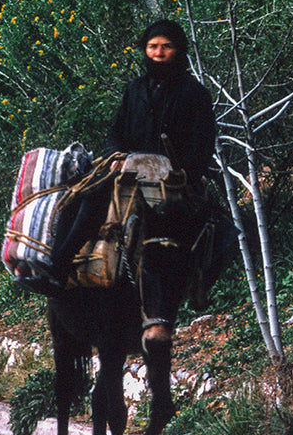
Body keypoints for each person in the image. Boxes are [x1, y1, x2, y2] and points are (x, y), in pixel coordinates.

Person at [45, 19, 217, 344]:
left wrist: (183, 173)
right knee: (88, 194)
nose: (159, 53)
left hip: (175, 183)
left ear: (178, 50)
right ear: (145, 51)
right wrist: (116, 156)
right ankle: (59, 262)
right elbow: (115, 132)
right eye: (153, 47)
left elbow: (203, 143)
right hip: (129, 175)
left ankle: (197, 291)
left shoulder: (195, 94)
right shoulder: (135, 90)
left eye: (166, 47)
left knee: (207, 232)